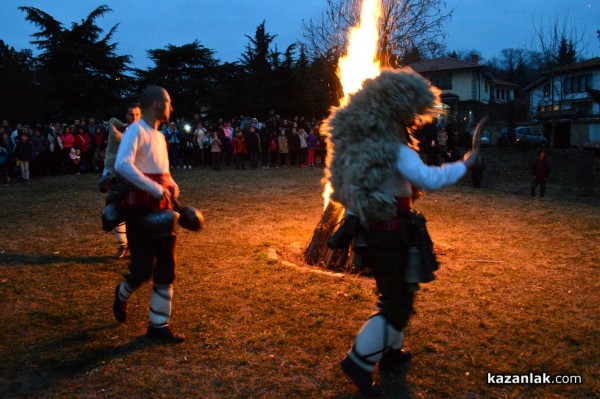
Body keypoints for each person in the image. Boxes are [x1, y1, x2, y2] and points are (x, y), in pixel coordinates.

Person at [324, 69, 480, 397]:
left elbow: (356, 193)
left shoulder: (366, 150)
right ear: (399, 113)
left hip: (377, 235)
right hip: (392, 236)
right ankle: (358, 362)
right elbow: (429, 179)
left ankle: (391, 354)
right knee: (397, 303)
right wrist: (465, 164)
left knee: (394, 293)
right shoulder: (397, 151)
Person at [112, 86, 184, 343]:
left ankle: (158, 326)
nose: (171, 107)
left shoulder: (160, 137)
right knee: (143, 269)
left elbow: (161, 170)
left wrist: (171, 184)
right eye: (168, 102)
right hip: (138, 211)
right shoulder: (135, 131)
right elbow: (122, 165)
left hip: (163, 212)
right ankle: (122, 293)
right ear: (156, 103)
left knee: (167, 267)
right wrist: (154, 188)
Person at [99, 104, 142, 259]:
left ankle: (138, 246)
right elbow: (111, 155)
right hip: (118, 175)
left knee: (139, 212)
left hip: (137, 177)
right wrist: (107, 176)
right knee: (115, 209)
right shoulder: (118, 133)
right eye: (131, 114)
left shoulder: (146, 133)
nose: (134, 117)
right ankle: (123, 245)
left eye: (137, 114)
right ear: (126, 115)